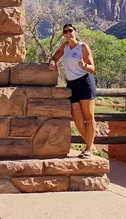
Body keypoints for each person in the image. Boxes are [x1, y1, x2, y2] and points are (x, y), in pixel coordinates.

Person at [48, 24, 97, 158]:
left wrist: (84, 65)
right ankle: (90, 144)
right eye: (65, 32)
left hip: (84, 82)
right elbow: (55, 57)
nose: (68, 33)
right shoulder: (65, 47)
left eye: (70, 31)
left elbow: (92, 68)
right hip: (72, 85)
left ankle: (88, 149)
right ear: (63, 34)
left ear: (75, 32)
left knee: (88, 117)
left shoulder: (83, 47)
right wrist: (52, 62)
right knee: (76, 118)